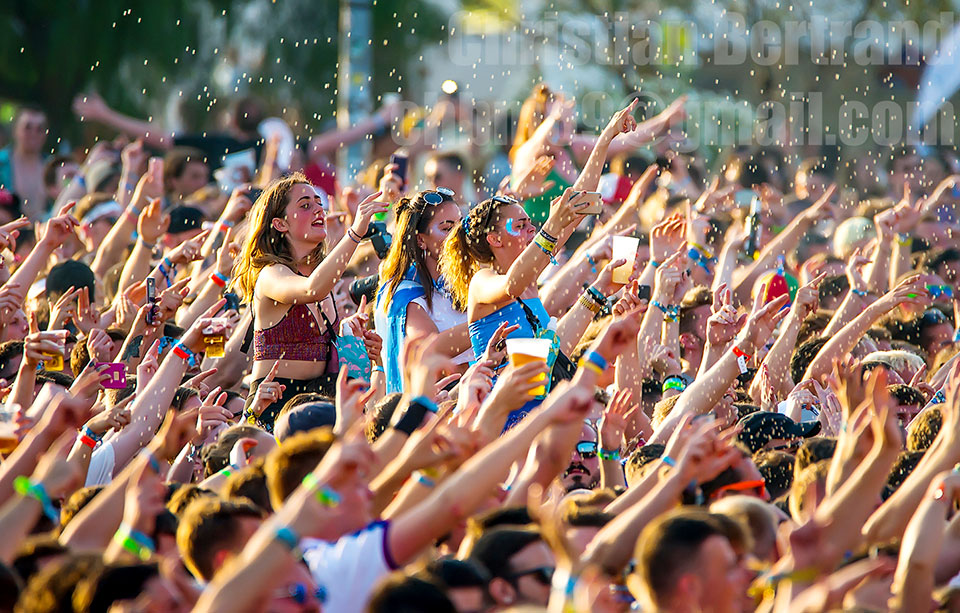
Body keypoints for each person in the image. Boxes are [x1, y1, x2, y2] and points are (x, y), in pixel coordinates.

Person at [233, 172, 387, 430]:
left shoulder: (321, 276)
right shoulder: (270, 273)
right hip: (276, 403)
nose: (319, 210)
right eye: (305, 205)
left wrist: (353, 336)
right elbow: (311, 289)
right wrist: (355, 232)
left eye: (319, 203)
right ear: (280, 224)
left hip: (322, 402)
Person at [375, 187, 472, 393]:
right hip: (437, 408)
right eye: (447, 228)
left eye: (460, 225)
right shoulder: (403, 291)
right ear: (420, 240)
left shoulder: (465, 279)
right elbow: (429, 349)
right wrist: (492, 319)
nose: (458, 235)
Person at [0, 105, 49, 220]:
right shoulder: (1, 163)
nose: (33, 133)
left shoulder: (53, 166)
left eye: (39, 129)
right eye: (28, 127)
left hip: (44, 233)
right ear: (15, 130)